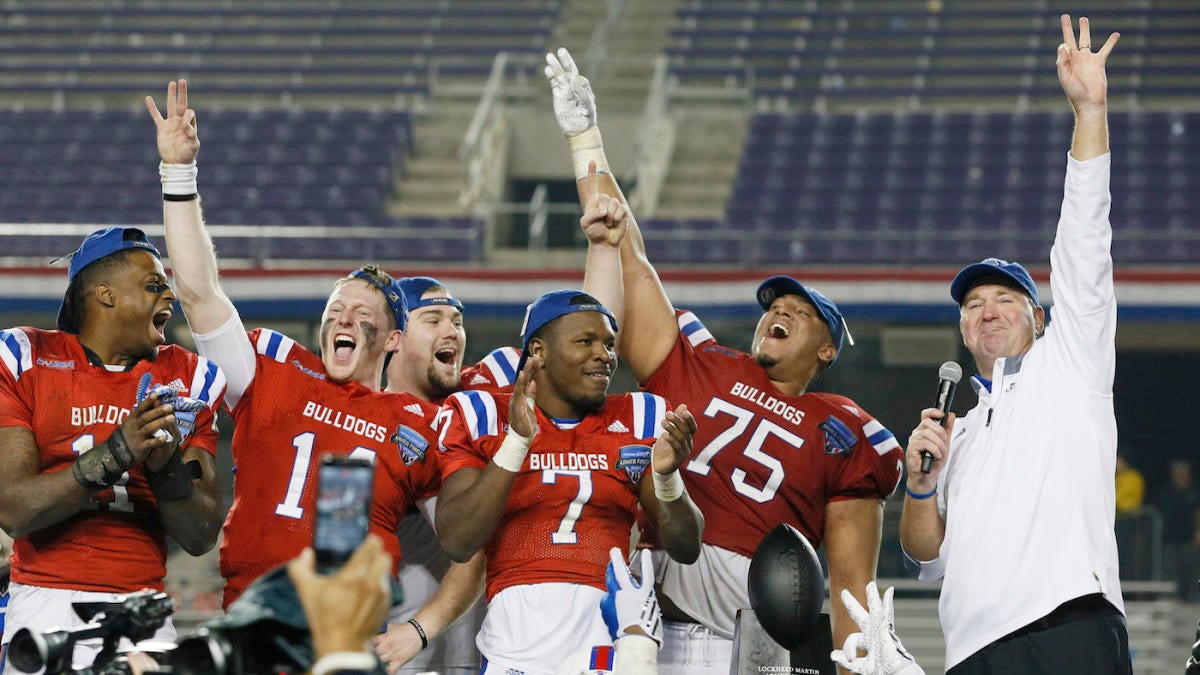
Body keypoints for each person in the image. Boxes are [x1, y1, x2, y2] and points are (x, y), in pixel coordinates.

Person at [545, 48, 904, 672]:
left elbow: (851, 585)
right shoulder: (704, 361)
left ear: (826, 348)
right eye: (773, 305)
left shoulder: (842, 427)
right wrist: (586, 143)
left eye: (801, 310)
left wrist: (856, 664)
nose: (778, 312)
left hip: (751, 644)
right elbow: (627, 254)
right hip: (646, 625)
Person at [146, 80, 479, 663]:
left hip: (342, 639)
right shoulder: (273, 367)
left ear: (394, 338)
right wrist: (179, 176)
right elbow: (199, 295)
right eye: (335, 311)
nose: (342, 319)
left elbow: (468, 543)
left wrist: (421, 630)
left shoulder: (419, 423)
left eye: (361, 312)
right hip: (247, 619)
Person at [898, 16, 1131, 674]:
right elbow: (924, 558)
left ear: (1041, 318)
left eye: (1005, 299)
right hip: (971, 651)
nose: (986, 310)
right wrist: (920, 484)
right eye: (973, 305)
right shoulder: (957, 432)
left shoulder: (1072, 363)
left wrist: (1090, 110)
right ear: (964, 332)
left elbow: (1085, 236)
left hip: (1068, 626)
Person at [435, 286, 705, 675]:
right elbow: (458, 540)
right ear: (539, 352)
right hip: (515, 638)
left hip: (605, 633)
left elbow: (686, 546)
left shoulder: (639, 416)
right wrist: (516, 443)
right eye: (586, 341)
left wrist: (666, 478)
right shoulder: (482, 413)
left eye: (610, 345)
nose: (605, 356)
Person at [0, 226, 225, 673]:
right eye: (153, 284)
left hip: (142, 609)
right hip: (47, 603)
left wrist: (166, 470)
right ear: (105, 294)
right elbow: (13, 510)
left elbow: (201, 535)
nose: (169, 296)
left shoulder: (189, 378)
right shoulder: (25, 357)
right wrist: (118, 452)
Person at [1158, 459, 1200, 602]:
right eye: (1177, 471)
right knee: (1171, 572)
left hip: (1191, 540)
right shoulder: (1167, 492)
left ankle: (1194, 600)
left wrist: (1198, 532)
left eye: (1183, 471)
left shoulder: (1195, 491)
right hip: (1170, 540)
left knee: (1192, 573)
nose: (1180, 474)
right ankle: (1171, 599)